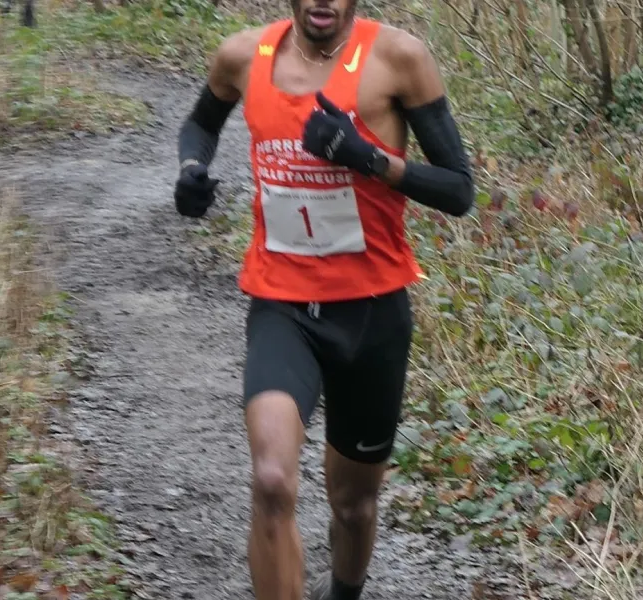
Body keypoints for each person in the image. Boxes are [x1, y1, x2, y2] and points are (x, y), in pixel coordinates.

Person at [173, 1, 474, 598]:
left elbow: (459, 189)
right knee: (272, 480)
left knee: (354, 505)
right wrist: (190, 169)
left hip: (372, 312)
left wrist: (369, 158)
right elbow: (200, 124)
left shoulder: (399, 58)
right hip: (282, 304)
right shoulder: (243, 55)